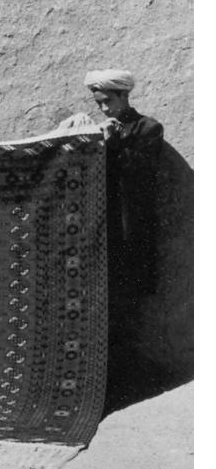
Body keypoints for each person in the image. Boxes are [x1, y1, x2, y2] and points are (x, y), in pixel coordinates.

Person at [84, 68, 164, 297]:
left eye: (108, 101)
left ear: (124, 96)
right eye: (99, 104)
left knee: (131, 296)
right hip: (106, 225)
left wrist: (111, 145)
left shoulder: (148, 128)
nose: (104, 109)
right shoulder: (100, 130)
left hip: (132, 225)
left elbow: (141, 174)